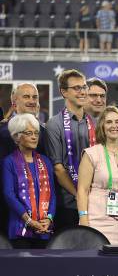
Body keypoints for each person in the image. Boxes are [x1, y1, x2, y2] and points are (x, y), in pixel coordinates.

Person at [77, 106, 118, 245]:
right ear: (102, 126)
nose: (114, 126)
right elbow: (82, 190)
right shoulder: (91, 154)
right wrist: (83, 219)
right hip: (96, 220)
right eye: (109, 122)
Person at [45, 69, 97, 231]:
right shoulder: (54, 124)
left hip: (96, 202)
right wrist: (79, 195)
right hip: (68, 203)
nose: (82, 92)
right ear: (64, 92)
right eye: (76, 88)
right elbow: (58, 169)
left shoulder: (95, 123)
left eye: (84, 87)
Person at [2, 114, 55, 248]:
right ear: (17, 137)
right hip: (20, 229)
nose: (34, 137)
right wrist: (28, 220)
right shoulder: (9, 162)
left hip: (44, 229)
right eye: (29, 133)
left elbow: (53, 195)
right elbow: (9, 194)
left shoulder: (46, 161)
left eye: (36, 133)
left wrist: (49, 218)